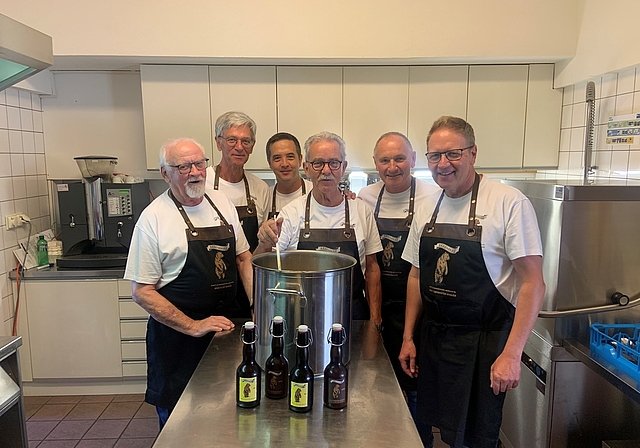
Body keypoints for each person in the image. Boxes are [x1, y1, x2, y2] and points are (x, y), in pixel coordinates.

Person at [399, 116, 545, 448]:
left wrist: (511, 354)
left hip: (485, 343)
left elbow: (533, 284)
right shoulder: (426, 206)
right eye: (434, 156)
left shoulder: (508, 203)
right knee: (438, 429)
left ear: (473, 153)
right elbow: (417, 274)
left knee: (477, 438)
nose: (443, 164)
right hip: (436, 340)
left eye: (453, 153)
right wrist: (409, 337)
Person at [124, 138, 253, 429]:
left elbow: (243, 258)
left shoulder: (221, 202)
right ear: (165, 173)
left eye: (199, 163)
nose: (195, 172)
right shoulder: (153, 219)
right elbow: (141, 292)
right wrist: (194, 326)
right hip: (179, 341)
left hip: (226, 332)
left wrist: (256, 304)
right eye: (183, 166)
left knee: (228, 417)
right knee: (181, 424)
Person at [357, 132, 439, 434]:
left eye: (400, 158)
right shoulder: (364, 198)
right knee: (376, 381)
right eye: (385, 160)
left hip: (418, 309)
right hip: (376, 305)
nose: (392, 166)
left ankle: (421, 439)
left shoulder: (434, 196)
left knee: (415, 382)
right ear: (375, 164)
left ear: (414, 159)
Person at [255, 131, 383, 324]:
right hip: (301, 315)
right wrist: (264, 243)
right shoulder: (290, 213)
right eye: (318, 163)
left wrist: (375, 320)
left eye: (333, 163)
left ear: (343, 167)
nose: (326, 170)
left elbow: (372, 269)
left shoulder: (362, 210)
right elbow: (267, 267)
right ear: (306, 168)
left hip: (353, 315)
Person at [206, 111, 269, 316]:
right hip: (211, 285)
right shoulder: (202, 182)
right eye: (232, 140)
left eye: (246, 141)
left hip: (247, 284)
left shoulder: (260, 188)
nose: (239, 147)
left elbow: (261, 245)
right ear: (218, 142)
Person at [265, 132, 313, 219]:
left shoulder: (315, 193)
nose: (284, 164)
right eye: (277, 158)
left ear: (300, 159)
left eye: (290, 157)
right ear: (269, 163)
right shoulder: (264, 198)